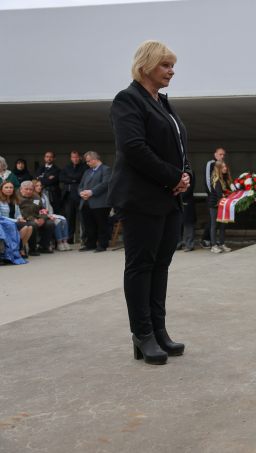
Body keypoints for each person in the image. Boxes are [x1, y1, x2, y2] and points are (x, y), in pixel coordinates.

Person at [108, 40, 191, 366]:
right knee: (141, 266)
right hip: (141, 198)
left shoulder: (164, 103)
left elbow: (178, 150)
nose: (172, 71)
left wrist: (185, 177)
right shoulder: (127, 100)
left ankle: (158, 330)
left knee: (160, 265)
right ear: (146, 67)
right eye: (165, 65)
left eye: (172, 65)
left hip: (169, 199)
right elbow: (134, 148)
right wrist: (173, 177)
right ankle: (141, 334)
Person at [78, 152, 112, 252]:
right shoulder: (87, 172)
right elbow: (81, 185)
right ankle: (90, 243)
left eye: (88, 161)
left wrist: (91, 192)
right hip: (86, 202)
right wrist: (81, 193)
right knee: (89, 225)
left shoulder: (106, 170)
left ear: (95, 159)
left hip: (100, 203)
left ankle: (102, 244)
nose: (87, 163)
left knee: (101, 224)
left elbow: (105, 184)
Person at [18, 180, 55, 254]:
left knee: (50, 224)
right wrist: (33, 219)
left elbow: (43, 209)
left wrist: (42, 218)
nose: (28, 191)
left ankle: (43, 246)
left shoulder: (36, 197)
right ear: (21, 189)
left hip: (37, 218)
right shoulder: (16, 198)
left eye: (30, 189)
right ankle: (32, 248)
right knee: (33, 225)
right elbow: (20, 212)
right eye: (26, 189)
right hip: (25, 219)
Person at [33, 180, 71, 251]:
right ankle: (59, 243)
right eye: (37, 186)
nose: (39, 187)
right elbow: (35, 210)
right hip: (41, 217)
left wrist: (50, 214)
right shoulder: (33, 197)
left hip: (48, 215)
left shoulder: (43, 195)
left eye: (40, 185)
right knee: (58, 222)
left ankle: (65, 242)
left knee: (64, 221)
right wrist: (46, 216)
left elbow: (49, 207)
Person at [59, 151, 89, 244]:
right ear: (71, 158)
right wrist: (73, 179)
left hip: (79, 196)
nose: (75, 159)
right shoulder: (68, 167)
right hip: (68, 197)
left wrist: (70, 179)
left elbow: (80, 177)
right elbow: (61, 178)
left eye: (76, 157)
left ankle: (84, 239)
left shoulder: (84, 167)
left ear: (80, 157)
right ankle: (70, 239)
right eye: (73, 157)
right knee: (70, 219)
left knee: (83, 219)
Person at [200, 147, 226, 249]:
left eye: (224, 155)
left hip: (220, 197)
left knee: (218, 221)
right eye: (220, 154)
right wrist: (212, 195)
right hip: (213, 197)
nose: (222, 156)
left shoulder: (223, 165)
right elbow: (207, 180)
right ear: (215, 154)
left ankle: (217, 241)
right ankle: (206, 239)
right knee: (213, 220)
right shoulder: (210, 164)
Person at [0, 180, 32, 260]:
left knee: (30, 227)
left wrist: (19, 219)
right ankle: (15, 250)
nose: (9, 189)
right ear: (2, 189)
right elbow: (0, 217)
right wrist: (16, 221)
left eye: (11, 188)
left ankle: (19, 249)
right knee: (24, 227)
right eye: (6, 187)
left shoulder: (14, 200)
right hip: (4, 223)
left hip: (13, 222)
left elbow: (18, 214)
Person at [206, 160, 232, 254]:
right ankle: (214, 245)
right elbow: (219, 196)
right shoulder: (217, 180)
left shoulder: (225, 178)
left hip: (222, 204)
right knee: (214, 225)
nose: (225, 168)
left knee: (223, 225)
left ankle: (222, 244)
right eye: (222, 167)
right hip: (214, 205)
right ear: (218, 169)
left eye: (225, 166)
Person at [177, 172, 196, 251]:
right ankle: (177, 244)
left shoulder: (189, 172)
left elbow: (190, 187)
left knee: (187, 223)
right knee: (177, 223)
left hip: (186, 200)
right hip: (177, 199)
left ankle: (189, 244)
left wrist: (179, 194)